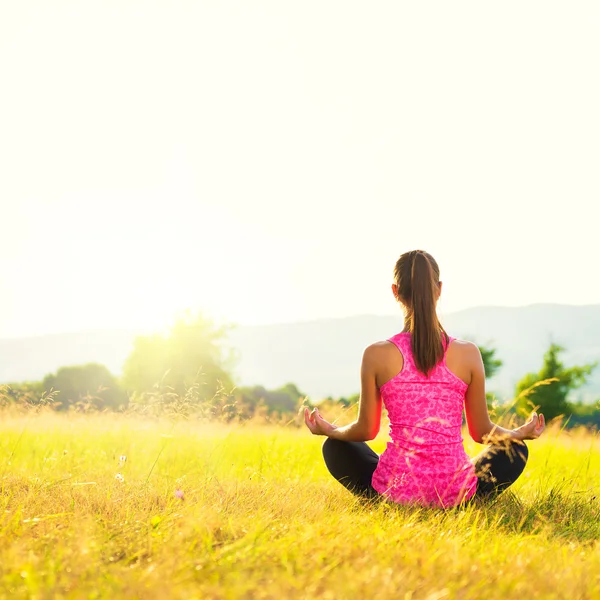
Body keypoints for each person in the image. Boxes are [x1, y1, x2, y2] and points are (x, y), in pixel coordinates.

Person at [304, 250, 545, 507]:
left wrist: (330, 430)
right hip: (456, 492)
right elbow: (482, 432)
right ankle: (461, 502)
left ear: (396, 291)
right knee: (515, 449)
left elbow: (366, 430)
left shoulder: (376, 354)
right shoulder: (468, 353)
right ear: (439, 289)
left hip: (394, 491)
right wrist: (519, 433)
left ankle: (386, 500)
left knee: (335, 446)